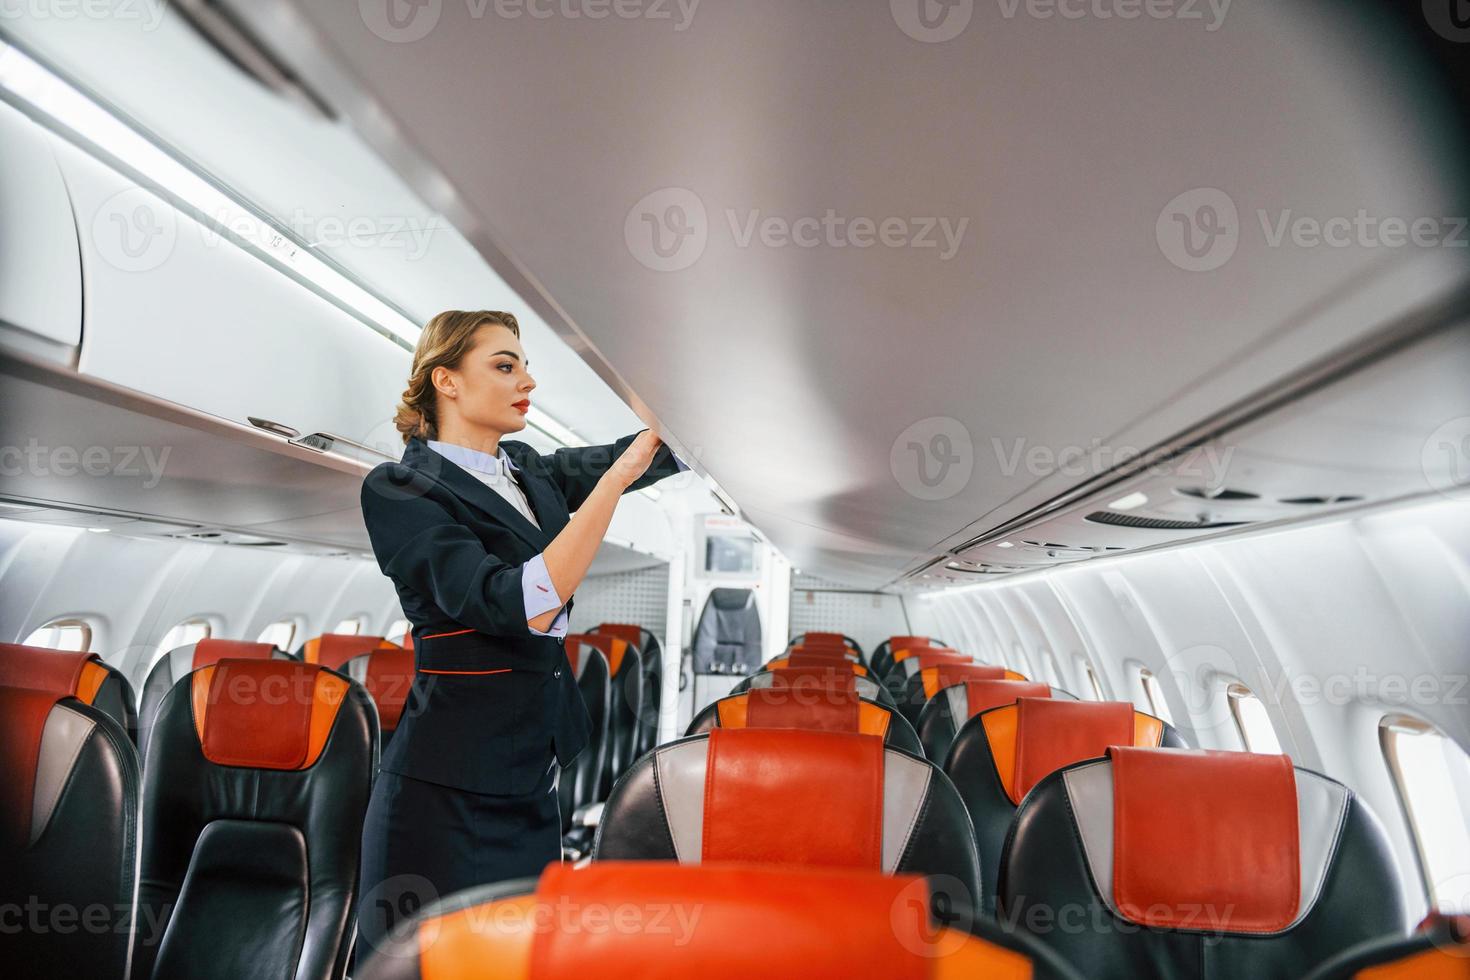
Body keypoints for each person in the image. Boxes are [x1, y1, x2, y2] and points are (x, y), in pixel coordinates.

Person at [355, 309, 685, 959]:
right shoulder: (400, 490)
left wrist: (687, 415)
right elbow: (515, 603)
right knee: (432, 964)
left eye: (526, 365)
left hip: (533, 773)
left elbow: (636, 455)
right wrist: (614, 486)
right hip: (446, 790)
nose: (526, 379)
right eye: (505, 366)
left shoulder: (527, 469)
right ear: (445, 380)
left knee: (524, 960)